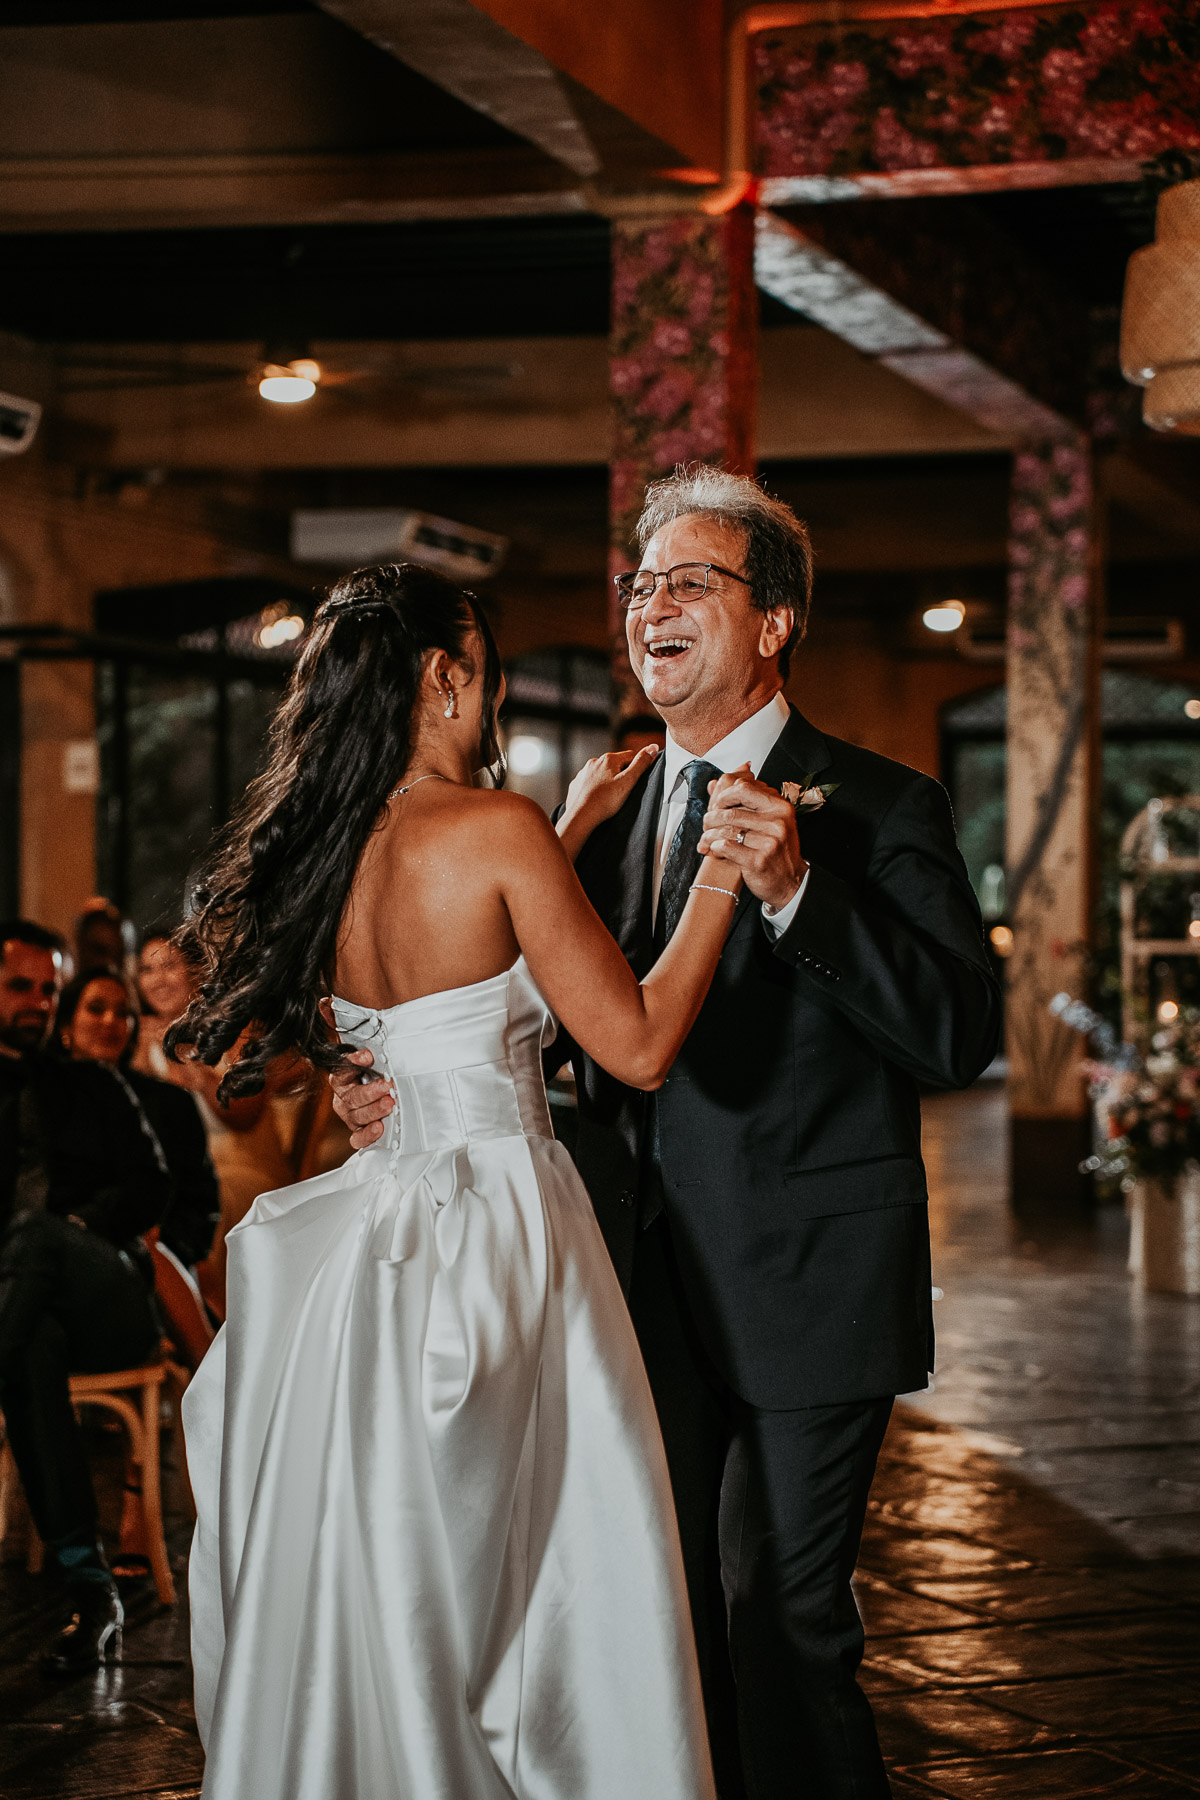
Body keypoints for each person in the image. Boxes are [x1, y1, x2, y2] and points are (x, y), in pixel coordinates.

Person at [334, 467, 1003, 1800]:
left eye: (693, 582)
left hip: (813, 1288)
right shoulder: (602, 821)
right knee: (671, 1621)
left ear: (774, 624)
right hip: (626, 1292)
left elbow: (957, 1034)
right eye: (643, 584)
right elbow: (529, 1014)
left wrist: (801, 896)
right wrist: (385, 1083)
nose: (653, 606)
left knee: (781, 1613)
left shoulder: (876, 805)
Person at [170, 561, 746, 1800]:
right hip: (500, 1226)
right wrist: (718, 879)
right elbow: (636, 1043)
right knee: (545, 1564)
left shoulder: (324, 848)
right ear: (443, 678)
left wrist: (576, 825)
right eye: (482, 677)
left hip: (370, 1246)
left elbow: (429, 990)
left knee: (401, 1574)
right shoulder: (493, 831)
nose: (487, 702)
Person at [134, 930, 293, 1313]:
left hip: (242, 1167)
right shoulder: (138, 1039)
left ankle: (219, 1314)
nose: (158, 978)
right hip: (174, 1172)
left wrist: (197, 1072)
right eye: (146, 969)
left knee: (206, 1197)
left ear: (194, 969)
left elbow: (244, 1115)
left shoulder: (237, 1029)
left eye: (168, 965)